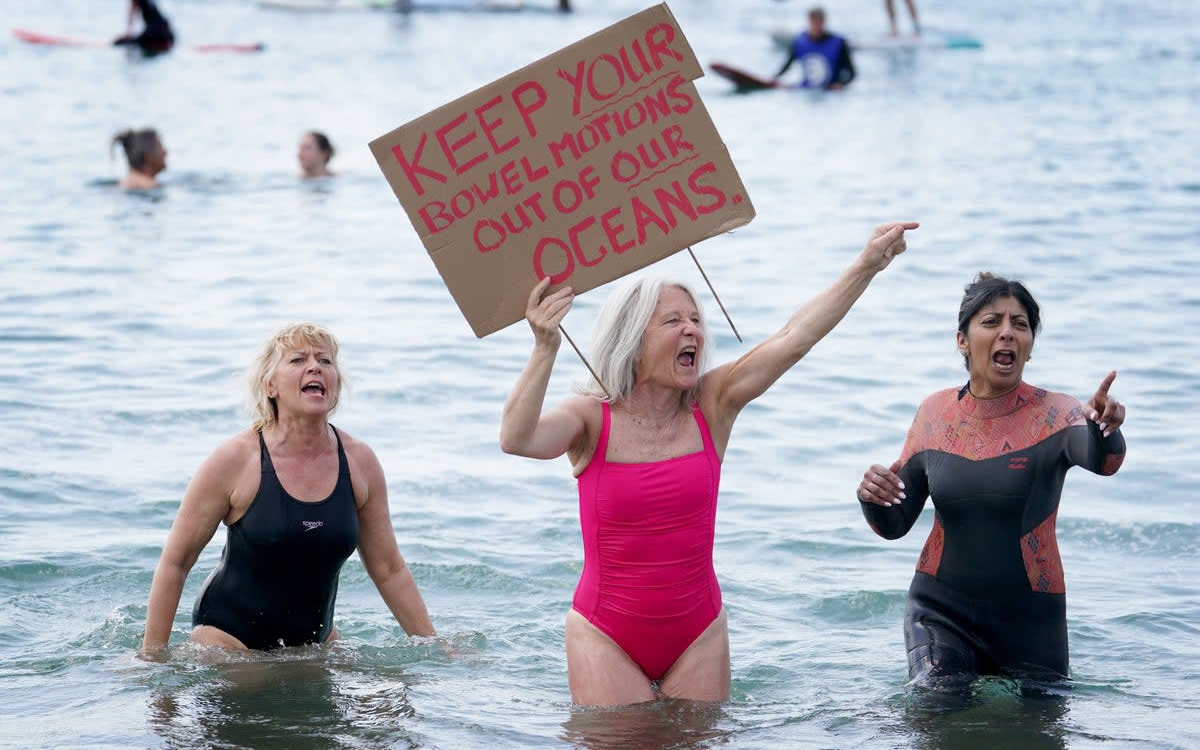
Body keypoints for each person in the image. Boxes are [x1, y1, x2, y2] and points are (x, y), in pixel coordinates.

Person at [500, 222, 918, 705]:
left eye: (696, 319)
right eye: (673, 320)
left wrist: (865, 266)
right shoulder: (589, 418)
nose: (692, 329)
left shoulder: (712, 406)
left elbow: (795, 337)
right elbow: (517, 438)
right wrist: (545, 346)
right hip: (605, 633)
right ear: (633, 338)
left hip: (698, 631)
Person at [857, 273, 1127, 691]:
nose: (1007, 333)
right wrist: (872, 497)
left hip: (1033, 622)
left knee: (1037, 729)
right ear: (962, 340)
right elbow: (893, 525)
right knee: (937, 700)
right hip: (939, 611)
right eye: (992, 322)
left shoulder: (1058, 414)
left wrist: (1105, 427)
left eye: (1020, 324)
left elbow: (1103, 461)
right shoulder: (935, 414)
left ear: (1030, 345)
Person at [142, 322, 435, 654]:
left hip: (314, 646)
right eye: (297, 360)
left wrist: (435, 646)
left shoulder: (359, 461)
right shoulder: (234, 460)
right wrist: (152, 656)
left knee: (392, 703)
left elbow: (389, 569)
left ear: (335, 385)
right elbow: (175, 563)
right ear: (270, 384)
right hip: (229, 643)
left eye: (325, 361)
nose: (315, 367)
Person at [774, 7, 856, 90]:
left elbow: (851, 73)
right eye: (813, 22)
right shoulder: (799, 42)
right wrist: (774, 79)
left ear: (824, 21)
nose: (816, 26)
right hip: (806, 89)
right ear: (808, 21)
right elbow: (787, 66)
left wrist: (841, 83)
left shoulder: (838, 43)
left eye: (818, 22)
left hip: (829, 89)